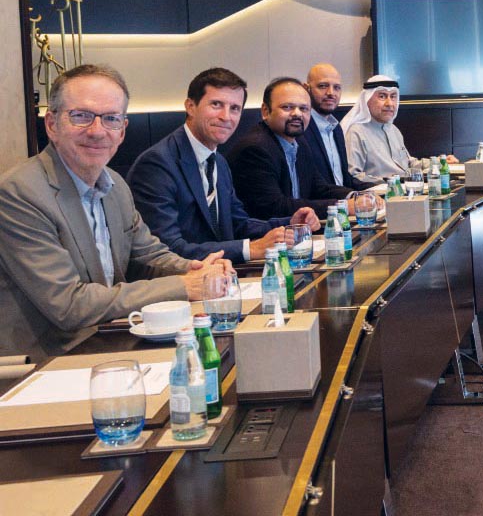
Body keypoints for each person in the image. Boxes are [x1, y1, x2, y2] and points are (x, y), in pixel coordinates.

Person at [0, 65, 231, 360]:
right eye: (81, 116)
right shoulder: (19, 193)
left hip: (112, 340)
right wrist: (183, 286)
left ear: (122, 131)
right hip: (47, 365)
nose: (97, 131)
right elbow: (69, 305)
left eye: (111, 119)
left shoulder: (115, 184)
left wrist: (197, 270)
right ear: (52, 125)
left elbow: (149, 256)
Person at [128, 68, 321, 263]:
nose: (226, 116)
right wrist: (249, 249)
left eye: (235, 108)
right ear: (190, 107)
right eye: (216, 104)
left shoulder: (218, 161)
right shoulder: (156, 165)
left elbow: (237, 224)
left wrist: (290, 224)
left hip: (222, 273)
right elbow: (166, 250)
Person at [226, 77, 351, 220]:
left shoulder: (300, 143)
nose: (297, 114)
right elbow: (275, 207)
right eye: (287, 107)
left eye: (303, 109)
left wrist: (355, 197)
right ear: (265, 111)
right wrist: (343, 207)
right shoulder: (255, 149)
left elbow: (318, 188)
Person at [342, 75, 432, 185]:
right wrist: (391, 183)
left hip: (406, 189)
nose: (389, 103)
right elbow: (354, 176)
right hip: (380, 192)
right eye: (382, 96)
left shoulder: (393, 130)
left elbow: (408, 164)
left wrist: (439, 162)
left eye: (393, 97)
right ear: (367, 100)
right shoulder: (356, 132)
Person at [300, 63, 375, 191]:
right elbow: (312, 186)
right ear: (306, 89)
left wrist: (380, 188)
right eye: (323, 86)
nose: (331, 93)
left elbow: (345, 180)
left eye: (337, 88)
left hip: (343, 201)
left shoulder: (336, 128)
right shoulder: (301, 129)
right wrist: (351, 196)